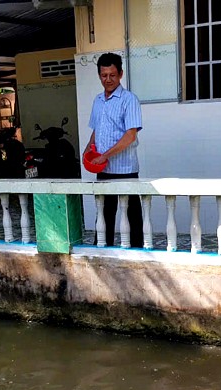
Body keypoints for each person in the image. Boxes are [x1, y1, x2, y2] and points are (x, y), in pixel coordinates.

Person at [84, 52, 144, 248]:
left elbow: (130, 135)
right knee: (104, 213)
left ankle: (137, 252)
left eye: (112, 75)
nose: (108, 79)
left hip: (126, 168)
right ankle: (101, 249)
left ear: (120, 74)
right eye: (104, 75)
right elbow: (96, 131)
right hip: (103, 170)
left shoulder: (129, 99)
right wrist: (88, 151)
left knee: (132, 214)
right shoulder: (97, 100)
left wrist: (105, 155)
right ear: (99, 75)